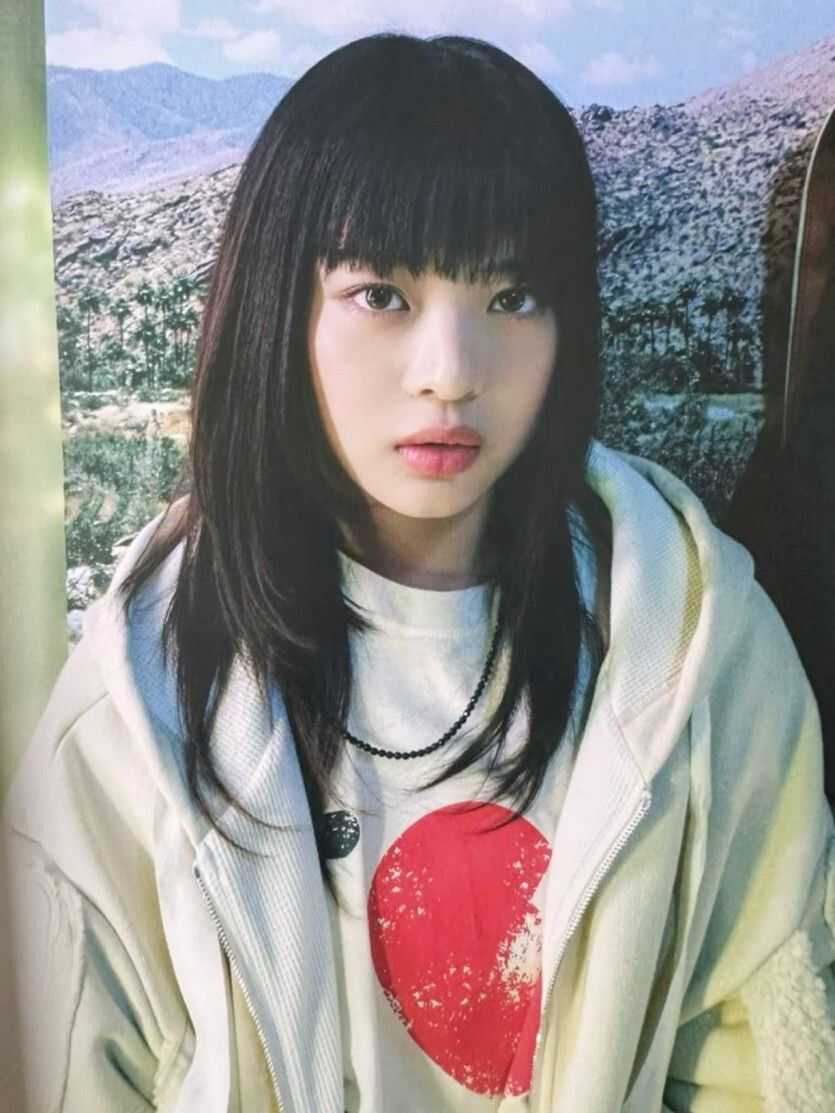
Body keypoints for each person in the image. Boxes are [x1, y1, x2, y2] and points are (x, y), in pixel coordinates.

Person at [5, 31, 835, 1113]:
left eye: (512, 296)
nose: (450, 373)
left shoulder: (701, 649)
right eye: (381, 295)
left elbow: (763, 1052)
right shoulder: (137, 703)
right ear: (279, 306)